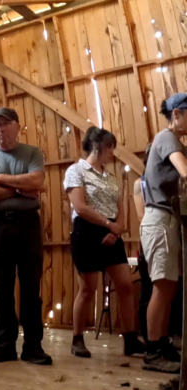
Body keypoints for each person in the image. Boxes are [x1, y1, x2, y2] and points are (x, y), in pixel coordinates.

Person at [0, 107, 52, 365]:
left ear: (18, 126)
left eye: (6, 123)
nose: (0, 129)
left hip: (28, 226)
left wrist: (3, 180)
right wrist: (19, 191)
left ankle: (33, 346)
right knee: (1, 288)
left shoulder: (32, 153)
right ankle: (5, 344)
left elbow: (38, 183)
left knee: (31, 288)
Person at [64, 127, 145, 358]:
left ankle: (130, 339)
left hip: (112, 234)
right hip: (86, 233)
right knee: (88, 289)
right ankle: (77, 338)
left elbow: (120, 207)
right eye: (110, 147)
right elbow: (79, 206)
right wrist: (110, 226)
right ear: (98, 146)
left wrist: (117, 229)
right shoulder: (76, 170)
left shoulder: (110, 177)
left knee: (126, 285)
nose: (112, 152)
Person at [139, 93, 187, 373]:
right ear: (177, 114)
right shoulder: (166, 137)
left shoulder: (175, 141)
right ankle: (153, 351)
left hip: (168, 220)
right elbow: (184, 171)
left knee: (169, 287)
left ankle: (163, 342)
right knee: (162, 286)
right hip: (160, 219)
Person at [134, 144, 183, 347]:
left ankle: (164, 340)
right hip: (153, 234)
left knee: (170, 288)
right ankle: (152, 343)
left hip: (170, 231)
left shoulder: (168, 184)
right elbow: (141, 214)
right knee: (153, 289)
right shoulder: (142, 183)